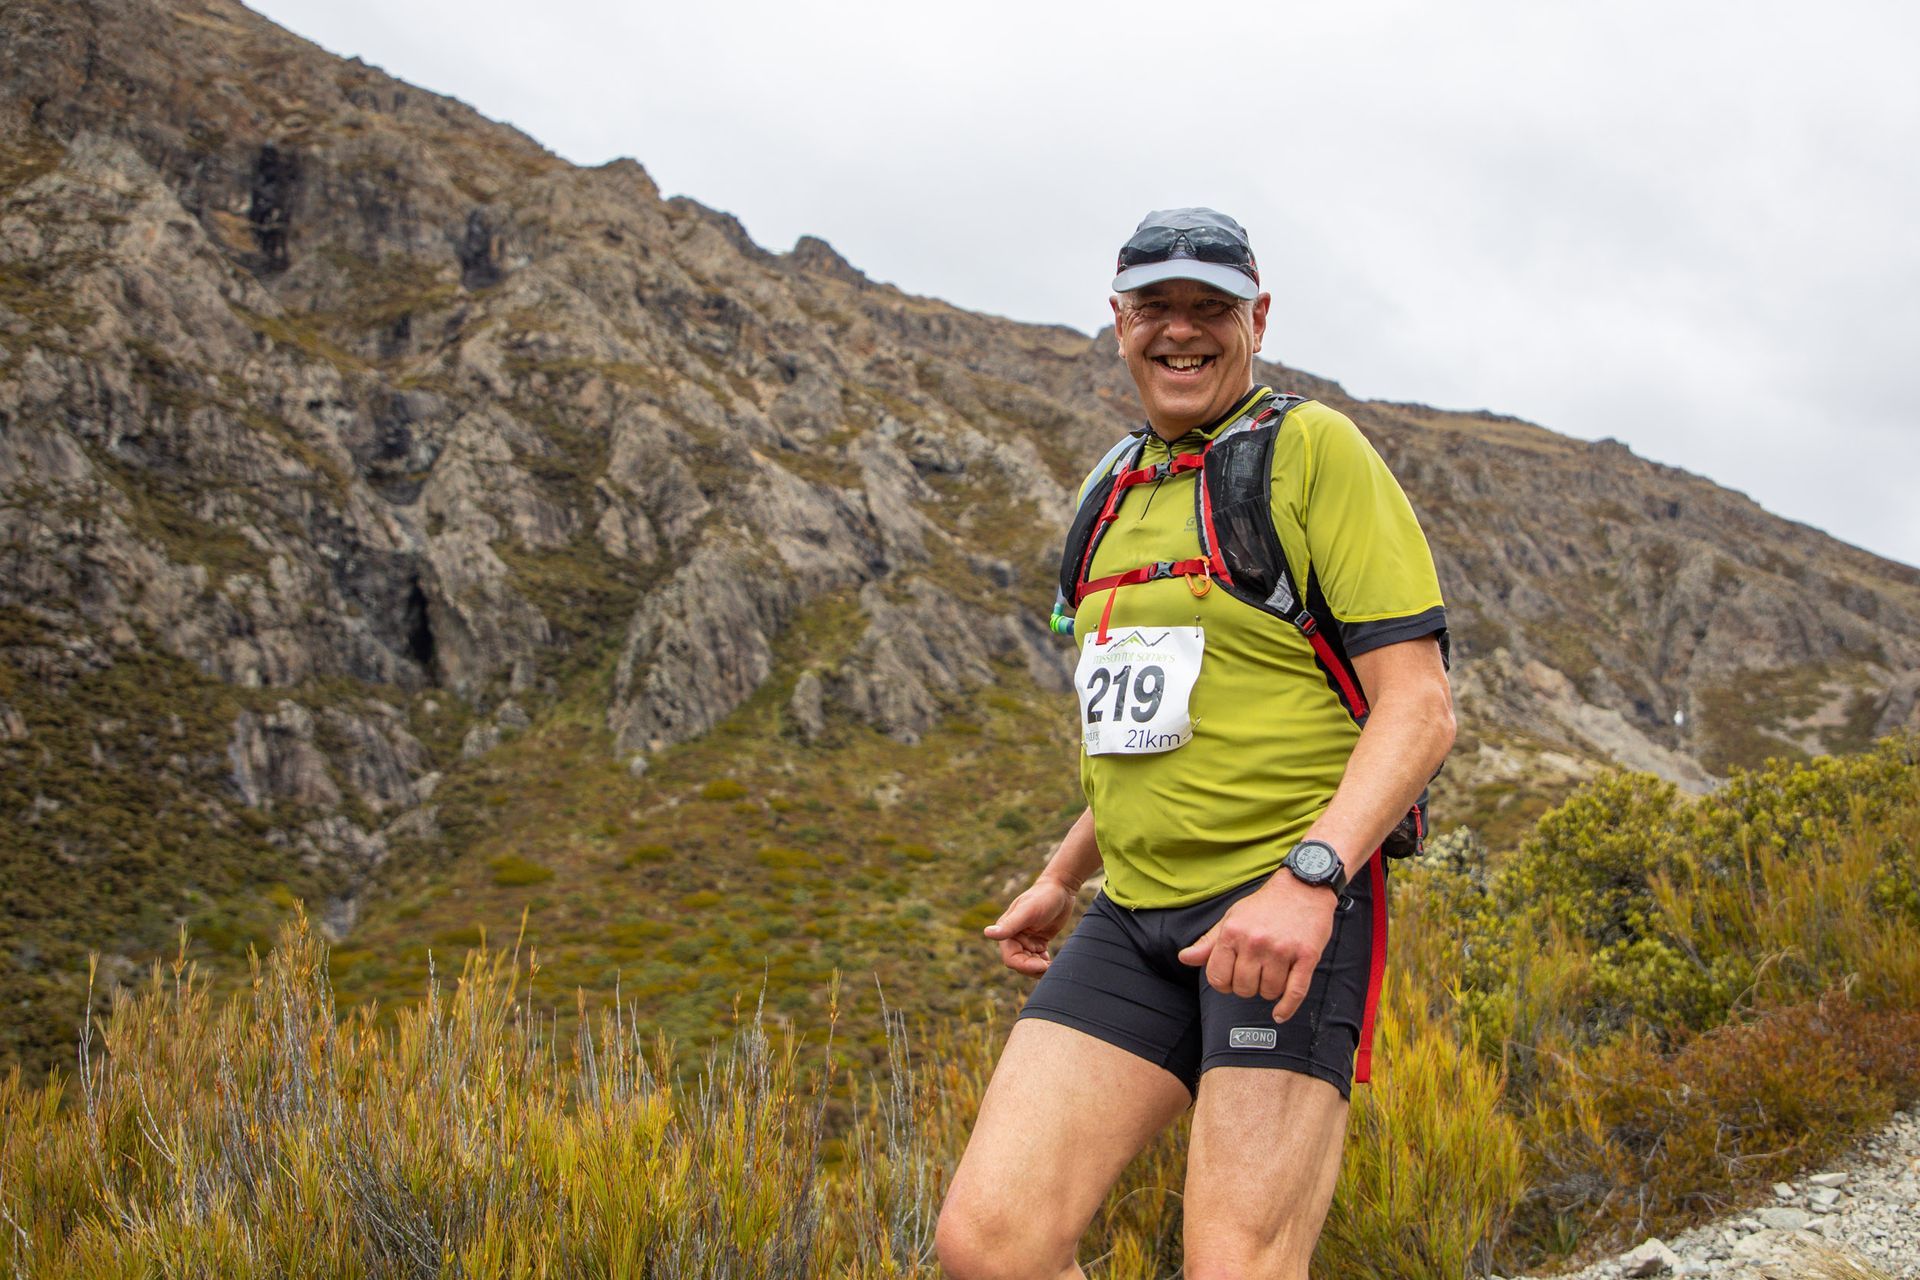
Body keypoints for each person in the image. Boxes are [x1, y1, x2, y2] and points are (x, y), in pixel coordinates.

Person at [934, 208, 1456, 1280]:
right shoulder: (1107, 490)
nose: (1183, 331)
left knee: (1237, 1263)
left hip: (1285, 912)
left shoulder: (1312, 451)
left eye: (1210, 308)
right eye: (1157, 308)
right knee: (993, 1243)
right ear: (1117, 322)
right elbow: (1155, 730)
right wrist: (1061, 873)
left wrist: (1309, 879)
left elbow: (1420, 708)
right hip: (1135, 916)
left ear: (1257, 318)